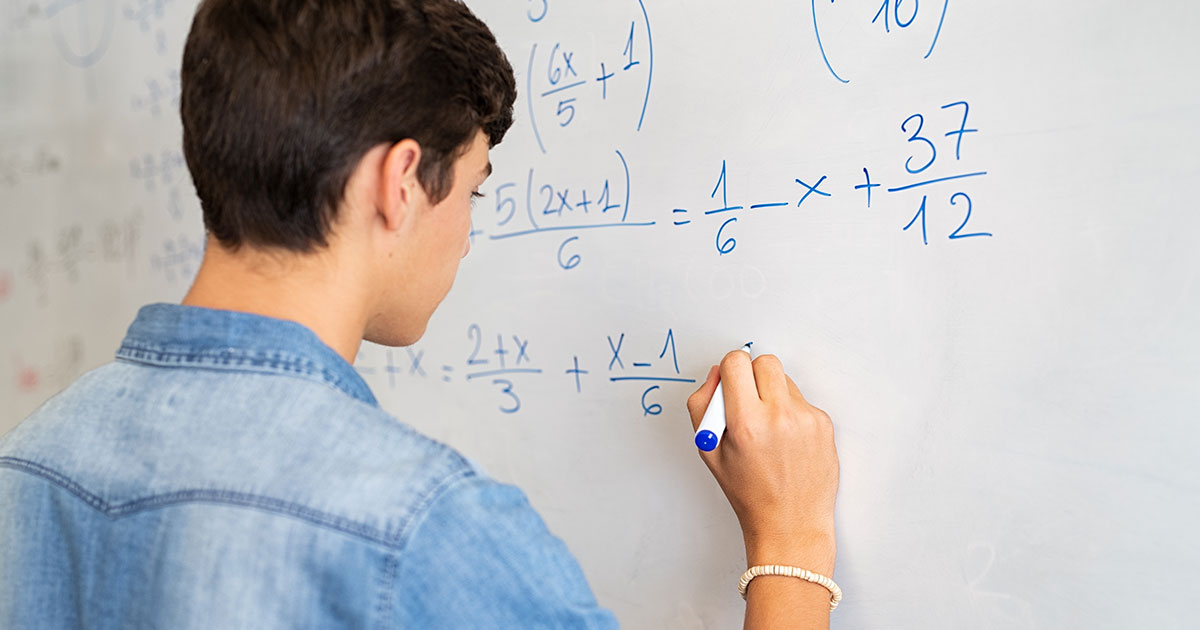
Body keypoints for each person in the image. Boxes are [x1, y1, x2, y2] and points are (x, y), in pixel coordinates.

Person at [0, 0, 840, 627]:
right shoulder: (419, 526)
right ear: (400, 183)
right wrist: (792, 546)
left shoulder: (28, 466)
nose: (468, 238)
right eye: (474, 191)